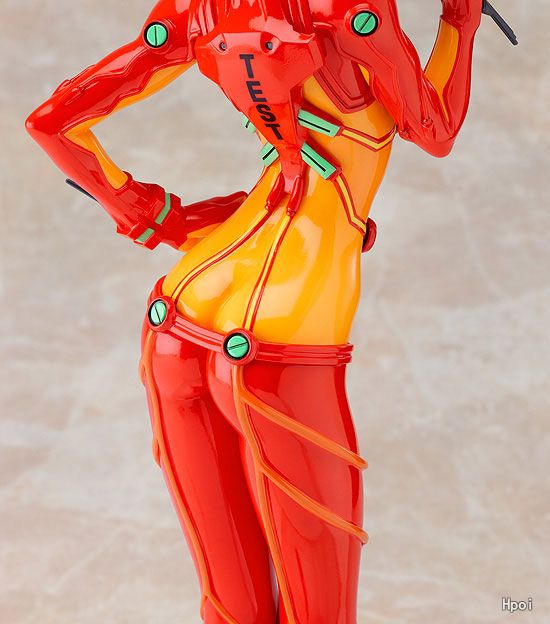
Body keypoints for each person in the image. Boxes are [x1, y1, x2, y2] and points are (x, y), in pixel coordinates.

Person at [26, 1, 483, 621]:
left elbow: (53, 123)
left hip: (179, 316)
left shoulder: (200, 10)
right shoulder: (350, 11)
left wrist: (154, 217)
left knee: (230, 601)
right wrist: (460, 22)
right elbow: (435, 128)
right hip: (281, 329)